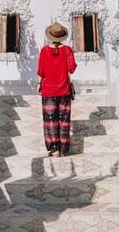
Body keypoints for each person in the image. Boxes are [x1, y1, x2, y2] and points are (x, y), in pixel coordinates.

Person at [37, 22, 77, 157]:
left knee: (50, 120)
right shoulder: (67, 50)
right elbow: (72, 68)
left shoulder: (44, 51)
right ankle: (64, 149)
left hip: (48, 90)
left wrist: (38, 84)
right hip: (64, 90)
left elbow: (41, 71)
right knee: (64, 120)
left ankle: (54, 149)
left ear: (50, 36)